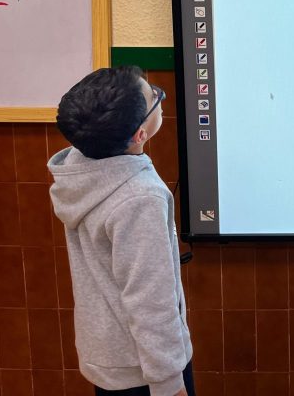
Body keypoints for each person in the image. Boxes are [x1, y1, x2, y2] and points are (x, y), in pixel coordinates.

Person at [48, 66, 193, 396]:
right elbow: (150, 301)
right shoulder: (140, 198)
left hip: (108, 358)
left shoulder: (82, 167)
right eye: (155, 97)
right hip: (144, 371)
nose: (159, 96)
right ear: (140, 134)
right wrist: (169, 384)